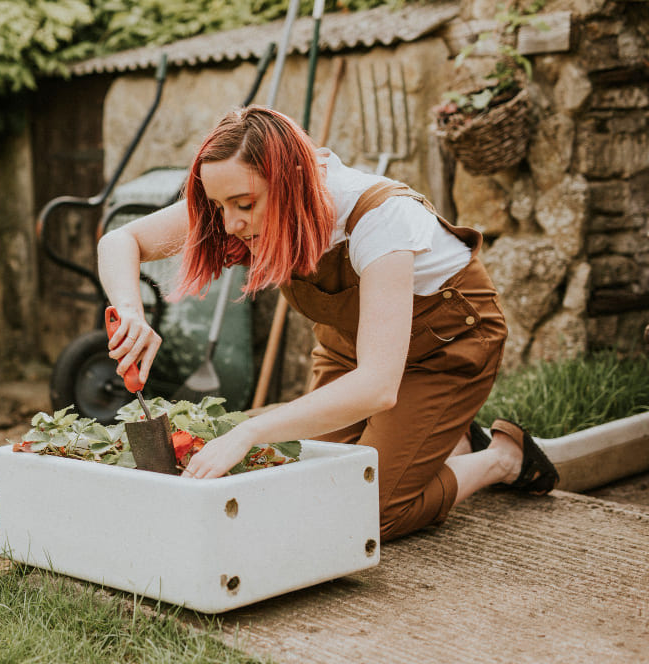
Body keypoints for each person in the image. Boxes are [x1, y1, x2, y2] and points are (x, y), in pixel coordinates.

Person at [97, 105, 558, 541]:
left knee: (364, 510)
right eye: (218, 206)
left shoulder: (379, 218)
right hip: (349, 349)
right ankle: (443, 437)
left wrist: (251, 429)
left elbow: (377, 386)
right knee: (298, 485)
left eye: (243, 205)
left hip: (445, 350)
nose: (230, 223)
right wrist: (132, 311)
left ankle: (502, 456)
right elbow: (121, 240)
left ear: (290, 183)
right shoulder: (239, 198)